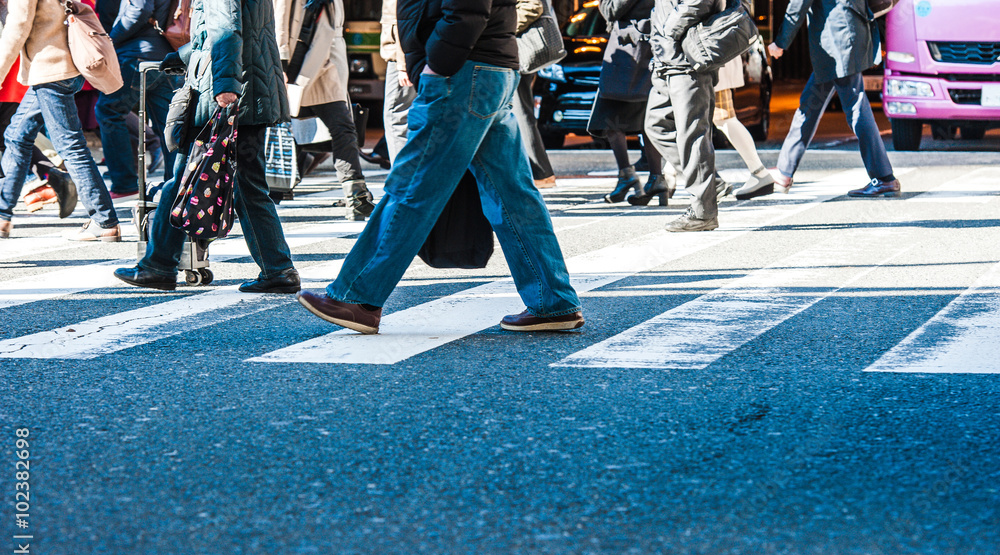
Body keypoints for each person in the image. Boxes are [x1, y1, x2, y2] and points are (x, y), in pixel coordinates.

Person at [296, 0, 583, 334]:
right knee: (513, 195)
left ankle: (357, 297)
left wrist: (438, 63)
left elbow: (468, 9)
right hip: (487, 65)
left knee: (413, 185)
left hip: (463, 72)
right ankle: (554, 300)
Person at [115, 0, 301, 293]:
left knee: (183, 178)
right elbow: (232, 30)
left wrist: (226, 84)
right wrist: (184, 55)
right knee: (247, 186)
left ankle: (158, 266)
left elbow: (226, 30)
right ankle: (277, 269)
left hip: (224, 93)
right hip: (253, 89)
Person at [0, 0, 121, 241]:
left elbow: (18, 26)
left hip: (52, 69)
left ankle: (104, 220)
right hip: (59, 66)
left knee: (70, 146)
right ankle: (2, 216)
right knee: (17, 135)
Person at [768, 0, 900, 197]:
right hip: (841, 37)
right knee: (810, 104)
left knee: (855, 106)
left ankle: (884, 177)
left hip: (838, 39)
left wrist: (781, 42)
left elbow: (799, 3)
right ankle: (784, 172)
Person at [275, 0, 375, 220]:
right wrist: (280, 63)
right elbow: (280, 17)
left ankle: (356, 196)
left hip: (326, 60)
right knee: (285, 127)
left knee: (343, 127)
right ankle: (272, 190)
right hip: (302, 60)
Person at [645, 0, 723, 231]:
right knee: (656, 124)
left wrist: (668, 31)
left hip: (687, 59)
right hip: (667, 59)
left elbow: (697, 2)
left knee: (692, 133)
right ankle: (708, 183)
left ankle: (703, 212)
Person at [94, 0, 178, 201]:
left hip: (138, 52)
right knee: (168, 125)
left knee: (108, 111)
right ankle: (175, 186)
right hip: (163, 53)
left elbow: (140, 8)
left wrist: (111, 39)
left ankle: (125, 184)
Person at [589, 0, 669, 206]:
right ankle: (656, 177)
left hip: (629, 46)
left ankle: (627, 174)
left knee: (609, 116)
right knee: (648, 114)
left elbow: (611, 8)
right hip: (652, 44)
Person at [713, 56, 774, 200]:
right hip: (713, 58)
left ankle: (759, 172)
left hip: (708, 61)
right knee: (719, 118)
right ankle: (668, 175)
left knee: (723, 118)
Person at [511, 0, 556, 188]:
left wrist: (503, 27)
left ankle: (541, 173)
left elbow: (533, 6)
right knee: (516, 110)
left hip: (517, 50)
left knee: (521, 110)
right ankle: (537, 172)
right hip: (511, 48)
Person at [378, 0, 415, 163]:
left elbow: (406, 15)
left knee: (396, 116)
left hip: (402, 54)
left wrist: (403, 63)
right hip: (407, 52)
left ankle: (402, 182)